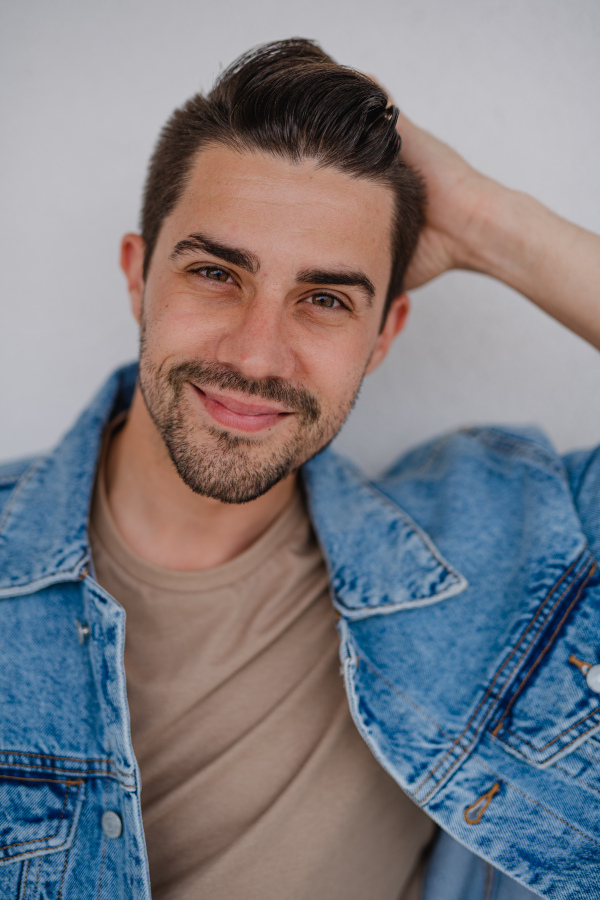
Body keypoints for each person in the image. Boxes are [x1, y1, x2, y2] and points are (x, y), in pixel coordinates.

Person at [0, 37, 598, 900]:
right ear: (138, 278)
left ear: (384, 334)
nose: (257, 353)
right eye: (215, 273)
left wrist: (483, 222)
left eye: (324, 300)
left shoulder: (501, 549)